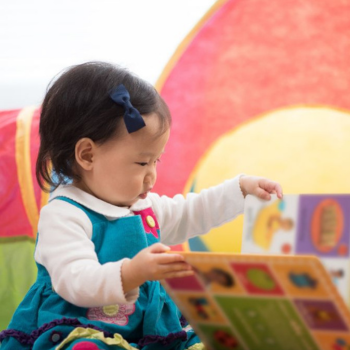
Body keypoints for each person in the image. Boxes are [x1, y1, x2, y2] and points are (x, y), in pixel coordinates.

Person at [0, 61, 283, 350]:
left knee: (215, 337)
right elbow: (76, 280)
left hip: (149, 330)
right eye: (142, 162)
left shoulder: (143, 208)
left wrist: (241, 190)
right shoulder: (64, 214)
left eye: (156, 161)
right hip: (80, 327)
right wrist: (132, 273)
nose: (152, 176)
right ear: (87, 155)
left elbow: (191, 213)